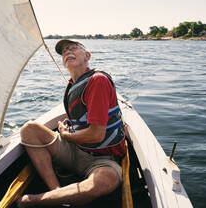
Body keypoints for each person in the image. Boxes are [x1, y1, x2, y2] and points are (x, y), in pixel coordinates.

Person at [17, 39, 126, 207]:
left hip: (102, 160)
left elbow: (97, 134)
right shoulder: (73, 86)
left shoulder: (98, 81)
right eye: (64, 51)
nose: (67, 51)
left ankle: (32, 201)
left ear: (87, 56)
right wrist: (67, 129)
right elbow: (81, 119)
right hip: (75, 150)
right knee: (29, 130)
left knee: (103, 182)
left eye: (73, 48)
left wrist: (66, 135)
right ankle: (56, 192)